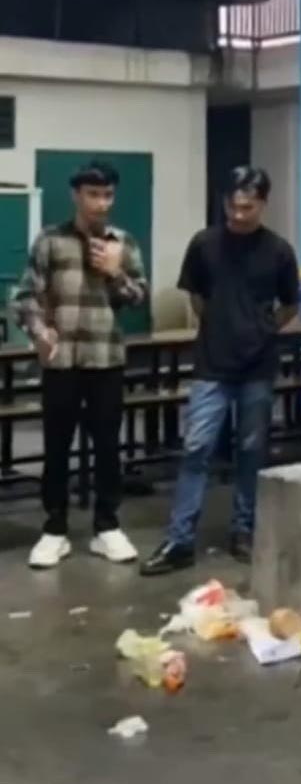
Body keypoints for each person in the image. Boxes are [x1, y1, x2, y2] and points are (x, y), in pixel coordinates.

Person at [141, 166, 300, 575]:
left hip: (258, 367)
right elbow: (196, 298)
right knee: (196, 449)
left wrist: (261, 329)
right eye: (233, 206)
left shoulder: (279, 251)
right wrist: (221, 326)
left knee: (251, 450)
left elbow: (290, 305)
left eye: (248, 207)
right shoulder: (204, 244)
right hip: (212, 365)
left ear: (263, 204)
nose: (239, 214)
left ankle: (244, 529)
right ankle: (180, 539)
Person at [13, 160, 148, 569]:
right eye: (93, 195)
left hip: (106, 358)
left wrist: (115, 272)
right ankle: (55, 529)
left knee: (108, 445)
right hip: (62, 361)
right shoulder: (50, 241)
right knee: (57, 445)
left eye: (107, 195)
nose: (101, 203)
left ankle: (107, 526)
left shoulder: (124, 242)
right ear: (76, 195)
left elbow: (137, 297)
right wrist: (40, 331)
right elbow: (25, 296)